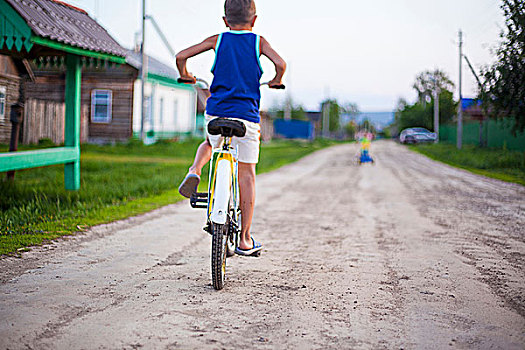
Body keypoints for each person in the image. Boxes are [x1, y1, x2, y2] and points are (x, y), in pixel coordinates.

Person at [175, 0, 286, 256]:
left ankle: (195, 170)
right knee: (246, 173)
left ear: (225, 20)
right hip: (246, 119)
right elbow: (280, 64)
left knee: (209, 142)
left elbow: (181, 56)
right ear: (254, 20)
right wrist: (277, 80)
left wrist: (186, 74)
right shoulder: (259, 42)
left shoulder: (218, 39)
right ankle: (245, 239)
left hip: (216, 113)